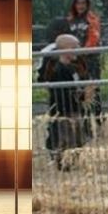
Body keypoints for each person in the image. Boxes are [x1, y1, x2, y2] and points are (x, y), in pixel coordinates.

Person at [38, 34, 93, 170]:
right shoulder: (58, 70)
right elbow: (62, 92)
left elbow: (75, 87)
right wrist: (79, 95)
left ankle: (72, 161)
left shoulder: (73, 68)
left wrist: (84, 94)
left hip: (75, 108)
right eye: (76, 47)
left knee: (78, 137)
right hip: (63, 110)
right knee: (64, 137)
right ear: (67, 50)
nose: (79, 49)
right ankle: (62, 163)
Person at [53, 0, 102, 79]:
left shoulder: (92, 19)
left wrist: (83, 50)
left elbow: (94, 38)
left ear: (87, 5)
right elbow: (64, 38)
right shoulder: (70, 20)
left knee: (91, 85)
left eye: (83, 3)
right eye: (78, 3)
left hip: (89, 58)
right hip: (73, 59)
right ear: (74, 5)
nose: (81, 6)